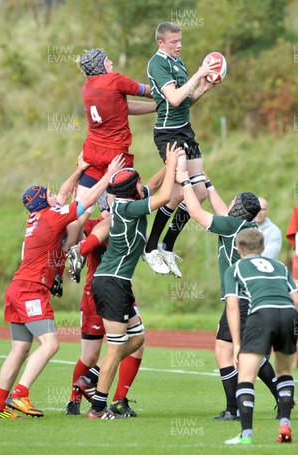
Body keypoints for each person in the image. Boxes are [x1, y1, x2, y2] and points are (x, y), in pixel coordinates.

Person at [0, 154, 124, 419]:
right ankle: (20, 395)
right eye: (49, 193)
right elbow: (88, 200)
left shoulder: (39, 217)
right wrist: (108, 175)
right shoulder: (52, 218)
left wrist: (80, 170)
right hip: (31, 290)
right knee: (50, 345)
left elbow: (62, 195)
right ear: (44, 202)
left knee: (20, 349)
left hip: (17, 288)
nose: (55, 194)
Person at [85, 143, 181, 419]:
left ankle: (92, 376)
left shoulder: (132, 200)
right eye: (138, 182)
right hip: (111, 282)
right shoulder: (129, 208)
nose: (143, 184)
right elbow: (163, 196)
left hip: (118, 283)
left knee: (136, 338)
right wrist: (173, 166)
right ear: (133, 190)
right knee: (115, 347)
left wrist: (172, 160)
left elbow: (154, 183)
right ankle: (98, 408)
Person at [176, 166, 280, 421]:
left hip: (241, 299)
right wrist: (208, 184)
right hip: (248, 297)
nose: (230, 201)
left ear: (238, 208)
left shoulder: (232, 225)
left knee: (242, 353)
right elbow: (223, 210)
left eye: (234, 200)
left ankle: (256, 403)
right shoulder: (243, 224)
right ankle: (246, 405)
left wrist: (185, 181)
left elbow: (197, 213)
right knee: (229, 351)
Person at [141, 21, 216, 278]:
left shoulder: (178, 62)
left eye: (180, 40)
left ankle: (166, 245)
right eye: (174, 42)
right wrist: (198, 74)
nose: (179, 45)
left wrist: (203, 89)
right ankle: (150, 248)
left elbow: (185, 102)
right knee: (180, 189)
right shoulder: (157, 63)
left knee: (199, 192)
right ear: (161, 43)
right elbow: (172, 99)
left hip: (186, 131)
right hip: (168, 134)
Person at [68, 48, 156, 246]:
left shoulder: (87, 88)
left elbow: (123, 106)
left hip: (92, 154)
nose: (111, 63)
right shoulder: (115, 80)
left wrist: (157, 107)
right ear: (101, 65)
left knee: (80, 212)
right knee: (129, 204)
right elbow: (147, 91)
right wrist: (168, 94)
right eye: (108, 60)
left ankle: (65, 255)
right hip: (116, 157)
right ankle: (148, 248)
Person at [223, 228, 298, 445]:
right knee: (284, 371)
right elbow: (297, 300)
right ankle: (285, 422)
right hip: (288, 314)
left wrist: (237, 343)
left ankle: (246, 435)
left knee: (246, 376)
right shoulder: (279, 266)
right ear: (263, 247)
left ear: (238, 248)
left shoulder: (235, 268)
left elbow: (232, 306)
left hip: (262, 314)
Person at [62, 217, 143, 418]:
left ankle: (118, 400)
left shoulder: (129, 218)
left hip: (121, 289)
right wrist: (82, 211)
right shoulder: (96, 223)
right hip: (95, 293)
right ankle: (75, 399)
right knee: (90, 354)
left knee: (137, 343)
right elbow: (73, 237)